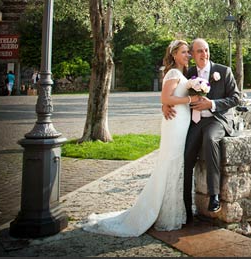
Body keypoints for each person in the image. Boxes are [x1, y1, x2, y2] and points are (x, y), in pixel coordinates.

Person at [81, 39, 192, 236]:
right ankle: (164, 214)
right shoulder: (174, 73)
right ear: (174, 54)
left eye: (188, 52)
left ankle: (174, 212)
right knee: (170, 164)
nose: (187, 55)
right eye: (184, 52)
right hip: (174, 123)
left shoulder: (182, 74)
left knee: (176, 166)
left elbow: (170, 98)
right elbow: (165, 98)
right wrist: (191, 99)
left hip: (181, 121)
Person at [162, 38, 240, 222]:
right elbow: (172, 93)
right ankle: (186, 207)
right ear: (192, 54)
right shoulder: (187, 73)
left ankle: (214, 196)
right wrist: (164, 106)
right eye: (199, 51)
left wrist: (211, 103)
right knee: (186, 155)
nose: (203, 54)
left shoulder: (223, 71)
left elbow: (236, 98)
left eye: (206, 50)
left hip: (217, 120)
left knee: (210, 139)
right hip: (195, 122)